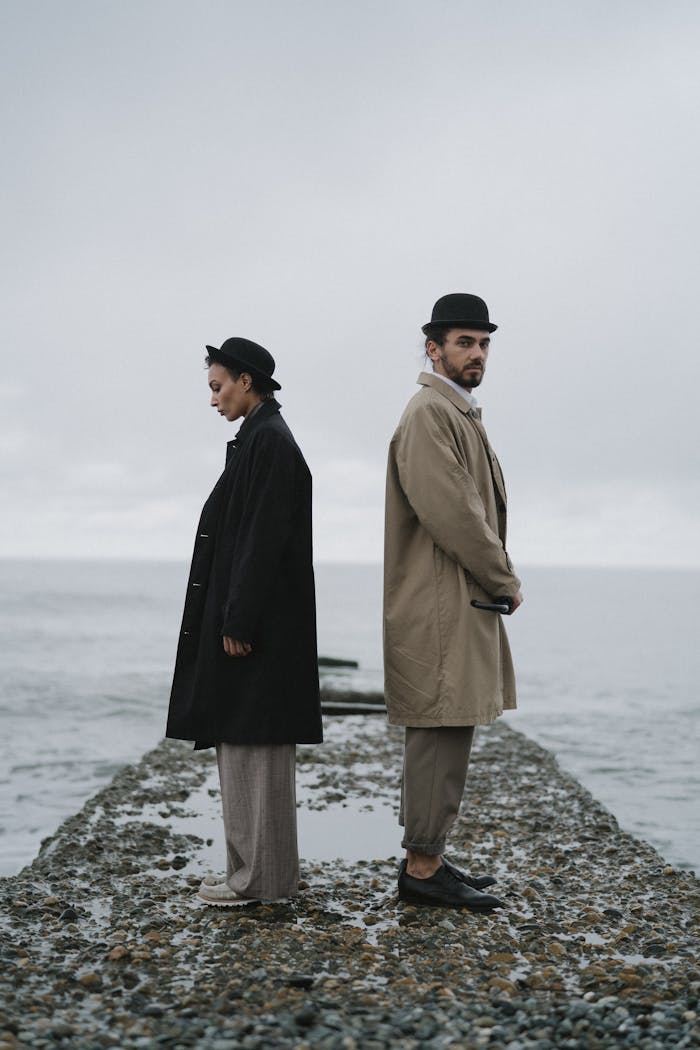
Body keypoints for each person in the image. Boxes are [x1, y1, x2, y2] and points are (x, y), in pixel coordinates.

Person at [166, 336, 323, 906]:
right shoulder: (259, 440)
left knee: (257, 749)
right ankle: (250, 876)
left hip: (258, 631)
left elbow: (261, 540)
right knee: (240, 744)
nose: (213, 399)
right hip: (253, 624)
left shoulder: (271, 444)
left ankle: (264, 882)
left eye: (217, 386)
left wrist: (239, 619)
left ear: (246, 381)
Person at [383, 293, 523, 910]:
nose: (478, 354)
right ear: (433, 348)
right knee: (437, 729)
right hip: (440, 604)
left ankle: (430, 854)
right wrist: (504, 578)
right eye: (465, 342)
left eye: (484, 343)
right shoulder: (429, 414)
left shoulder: (459, 413)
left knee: (451, 725)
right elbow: (456, 515)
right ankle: (421, 868)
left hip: (452, 601)